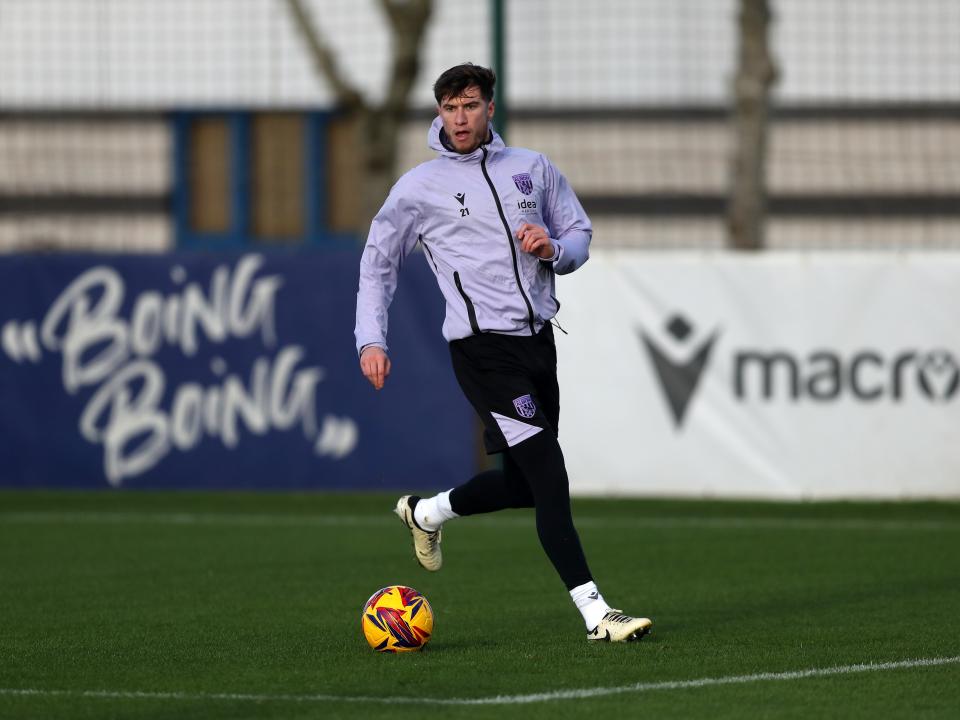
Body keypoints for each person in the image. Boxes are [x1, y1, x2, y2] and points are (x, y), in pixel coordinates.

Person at [354, 62, 652, 642]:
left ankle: (427, 512)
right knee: (551, 474)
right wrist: (371, 338)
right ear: (438, 113)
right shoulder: (418, 188)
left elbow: (579, 236)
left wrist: (553, 248)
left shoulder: (533, 169)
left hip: (538, 344)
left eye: (469, 105)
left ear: (490, 107)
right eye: (449, 107)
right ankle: (597, 615)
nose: (459, 117)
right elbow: (378, 262)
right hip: (483, 353)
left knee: (522, 486)